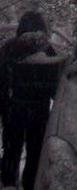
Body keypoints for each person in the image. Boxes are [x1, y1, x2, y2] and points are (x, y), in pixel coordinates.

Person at [0, 11, 61, 190]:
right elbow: (55, 86)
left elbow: (1, 79)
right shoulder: (47, 50)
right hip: (39, 110)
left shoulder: (9, 48)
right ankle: (31, 185)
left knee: (11, 150)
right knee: (35, 153)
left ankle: (9, 183)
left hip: (13, 109)